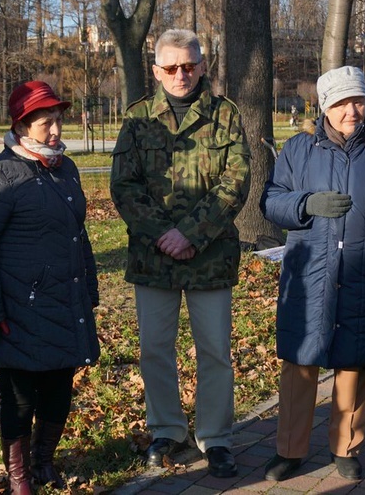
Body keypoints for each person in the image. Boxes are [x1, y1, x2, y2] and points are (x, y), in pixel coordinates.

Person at [260, 65, 365, 482]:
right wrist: (306, 204)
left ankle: (346, 446)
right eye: (341, 102)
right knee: (300, 362)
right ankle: (290, 450)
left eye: (359, 100)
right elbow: (271, 201)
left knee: (355, 359)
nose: (352, 110)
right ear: (324, 106)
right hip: (309, 272)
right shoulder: (299, 148)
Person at [110, 28, 251, 478]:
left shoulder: (224, 115)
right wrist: (165, 234)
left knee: (214, 351)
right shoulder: (137, 118)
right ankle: (167, 430)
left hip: (209, 255)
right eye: (170, 67)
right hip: (154, 257)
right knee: (154, 349)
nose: (180, 75)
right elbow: (124, 186)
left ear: (203, 65)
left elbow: (236, 181)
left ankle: (216, 437)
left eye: (189, 65)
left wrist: (190, 233)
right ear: (156, 70)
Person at [0, 81, 100, 494]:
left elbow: (77, 234)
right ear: (21, 126)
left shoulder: (65, 169)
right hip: (17, 306)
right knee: (19, 396)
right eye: (44, 123)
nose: (55, 131)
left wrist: (87, 290)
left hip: (63, 301)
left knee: (59, 389)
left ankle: (43, 462)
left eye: (58, 120)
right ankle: (18, 476)